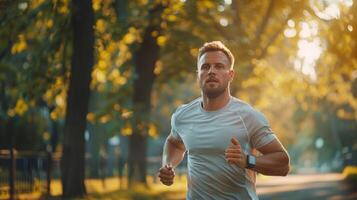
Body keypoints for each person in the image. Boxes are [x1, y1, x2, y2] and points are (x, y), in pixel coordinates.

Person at [158, 41, 290, 200]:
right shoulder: (183, 116)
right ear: (198, 74)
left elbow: (283, 164)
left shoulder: (248, 116)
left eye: (219, 66)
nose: (211, 71)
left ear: (230, 75)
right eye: (205, 67)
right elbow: (174, 143)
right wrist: (168, 165)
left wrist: (248, 160)